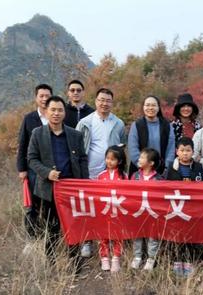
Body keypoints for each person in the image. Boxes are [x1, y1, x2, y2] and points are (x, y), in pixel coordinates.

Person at [26, 95, 88, 267]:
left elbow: (83, 159)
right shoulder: (37, 134)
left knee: (72, 226)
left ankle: (75, 262)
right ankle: (51, 261)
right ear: (46, 112)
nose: (56, 113)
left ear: (64, 113)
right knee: (51, 227)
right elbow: (31, 159)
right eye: (53, 110)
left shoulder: (75, 135)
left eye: (60, 110)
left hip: (71, 189)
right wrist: (47, 173)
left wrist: (84, 184)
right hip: (48, 189)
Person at [76, 88, 125, 257]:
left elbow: (121, 146)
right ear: (96, 101)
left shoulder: (118, 123)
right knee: (88, 208)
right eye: (101, 100)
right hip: (89, 172)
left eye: (108, 100)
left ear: (112, 102)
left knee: (108, 208)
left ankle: (110, 239)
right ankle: (87, 241)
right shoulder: (85, 122)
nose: (104, 103)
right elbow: (77, 147)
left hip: (109, 175)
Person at [166, 137, 203, 276]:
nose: (185, 153)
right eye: (182, 150)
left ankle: (189, 261)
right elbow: (165, 188)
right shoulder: (171, 167)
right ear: (177, 151)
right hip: (176, 208)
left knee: (191, 235)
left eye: (188, 150)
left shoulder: (198, 167)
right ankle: (177, 260)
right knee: (176, 235)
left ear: (193, 152)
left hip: (192, 208)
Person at [16, 83, 52, 237]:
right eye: (41, 96)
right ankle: (32, 237)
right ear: (36, 98)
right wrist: (21, 169)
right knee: (33, 204)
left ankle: (52, 233)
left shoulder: (56, 115)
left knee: (51, 202)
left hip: (52, 168)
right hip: (33, 168)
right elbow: (22, 144)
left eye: (47, 96)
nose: (44, 99)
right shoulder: (29, 119)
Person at [131, 148, 163, 271]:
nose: (139, 159)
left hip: (152, 212)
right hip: (138, 210)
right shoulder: (135, 176)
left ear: (151, 163)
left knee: (152, 235)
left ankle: (151, 258)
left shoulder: (158, 179)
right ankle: (137, 256)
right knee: (137, 234)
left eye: (142, 158)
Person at [97, 145, 128, 272]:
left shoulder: (124, 176)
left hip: (118, 210)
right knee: (103, 233)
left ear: (119, 161)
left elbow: (127, 193)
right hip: (104, 210)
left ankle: (116, 258)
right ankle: (104, 258)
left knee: (118, 234)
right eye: (107, 158)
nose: (109, 161)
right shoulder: (101, 175)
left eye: (113, 159)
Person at [128, 95, 176, 175]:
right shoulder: (136, 125)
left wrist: (167, 167)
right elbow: (133, 149)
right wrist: (142, 165)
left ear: (158, 108)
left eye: (154, 105)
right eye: (147, 105)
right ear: (143, 107)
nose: (150, 108)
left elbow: (170, 149)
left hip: (161, 170)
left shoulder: (166, 125)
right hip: (139, 170)